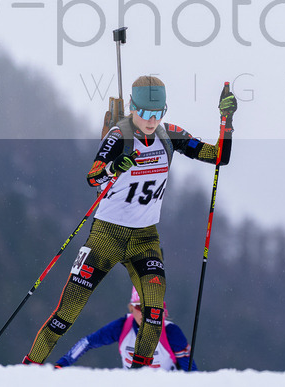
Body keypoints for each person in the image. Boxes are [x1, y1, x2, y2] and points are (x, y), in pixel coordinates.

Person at [24, 75, 236, 368]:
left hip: (144, 239)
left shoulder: (169, 135)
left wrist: (227, 120)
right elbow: (93, 176)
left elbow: (218, 156)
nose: (151, 120)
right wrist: (113, 167)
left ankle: (138, 375)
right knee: (67, 312)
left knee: (154, 312)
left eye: (158, 113)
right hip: (106, 236)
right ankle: (29, 369)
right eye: (145, 112)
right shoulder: (119, 135)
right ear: (133, 108)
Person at [54, 286, 197, 370]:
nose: (145, 313)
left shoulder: (171, 332)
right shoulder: (122, 326)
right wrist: (62, 364)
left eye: (151, 308)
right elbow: (87, 342)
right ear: (131, 308)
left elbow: (190, 371)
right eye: (140, 307)